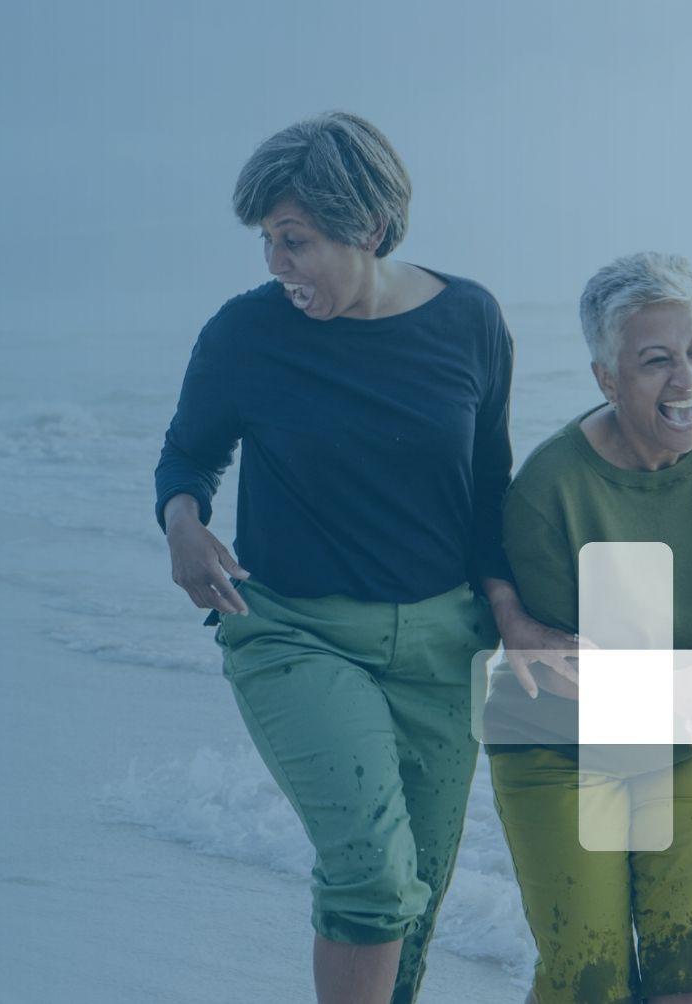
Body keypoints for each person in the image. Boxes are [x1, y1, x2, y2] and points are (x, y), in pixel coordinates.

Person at [153, 110, 516, 1004]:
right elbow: (187, 455)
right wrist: (182, 522)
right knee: (372, 874)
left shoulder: (470, 319)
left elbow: (489, 490)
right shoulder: (246, 334)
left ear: (371, 229)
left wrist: (514, 620)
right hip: (293, 633)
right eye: (269, 242)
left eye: (295, 241)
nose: (276, 264)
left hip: (441, 648)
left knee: (415, 900)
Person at [482, 253, 692, 1003]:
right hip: (562, 741)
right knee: (590, 981)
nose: (686, 379)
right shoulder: (550, 487)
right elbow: (563, 663)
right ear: (606, 379)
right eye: (656, 361)